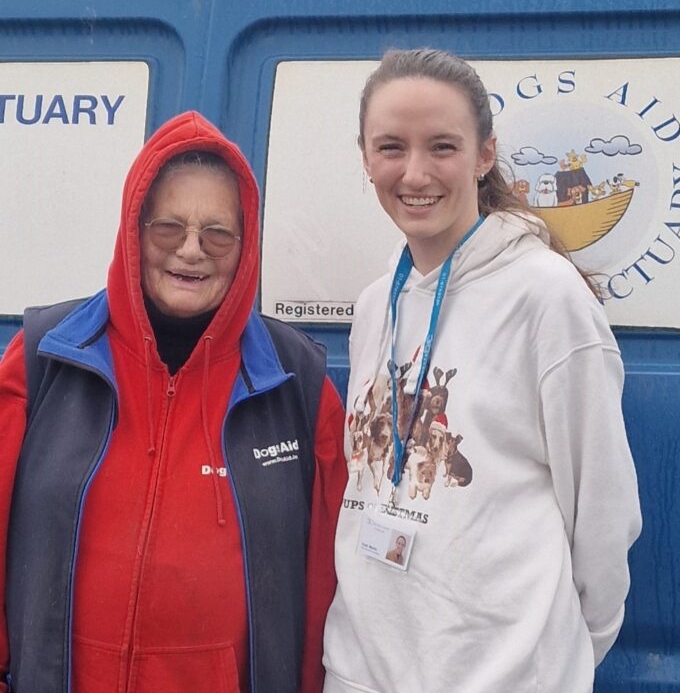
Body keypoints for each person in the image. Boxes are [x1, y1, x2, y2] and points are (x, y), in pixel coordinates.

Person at [323, 49, 642, 692]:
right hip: (362, 673)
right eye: (391, 147)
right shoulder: (374, 303)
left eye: (442, 146)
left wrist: (552, 658)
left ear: (485, 155)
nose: (415, 172)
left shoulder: (546, 298)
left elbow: (603, 517)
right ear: (364, 158)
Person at [0, 111, 346, 693]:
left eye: (218, 233)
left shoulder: (296, 381)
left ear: (245, 246)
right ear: (133, 231)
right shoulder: (44, 356)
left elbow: (329, 584)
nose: (191, 250)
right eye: (168, 227)